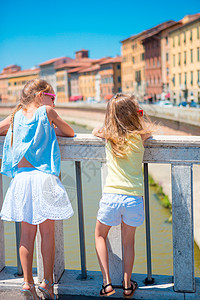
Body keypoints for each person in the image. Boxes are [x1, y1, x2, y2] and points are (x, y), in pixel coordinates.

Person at [0, 79, 75, 300]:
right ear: (41, 95)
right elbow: (69, 132)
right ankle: (47, 283)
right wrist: (52, 128)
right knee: (47, 234)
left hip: (22, 180)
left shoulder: (15, 116)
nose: (54, 102)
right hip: (43, 179)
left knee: (26, 235)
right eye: (52, 97)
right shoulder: (46, 111)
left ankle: (26, 282)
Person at [93, 93, 152, 298]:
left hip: (111, 197)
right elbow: (145, 129)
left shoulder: (109, 135)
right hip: (134, 198)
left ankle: (107, 283)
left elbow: (95, 130)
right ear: (134, 114)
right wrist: (139, 115)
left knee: (100, 235)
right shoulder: (141, 136)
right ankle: (127, 285)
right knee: (129, 243)